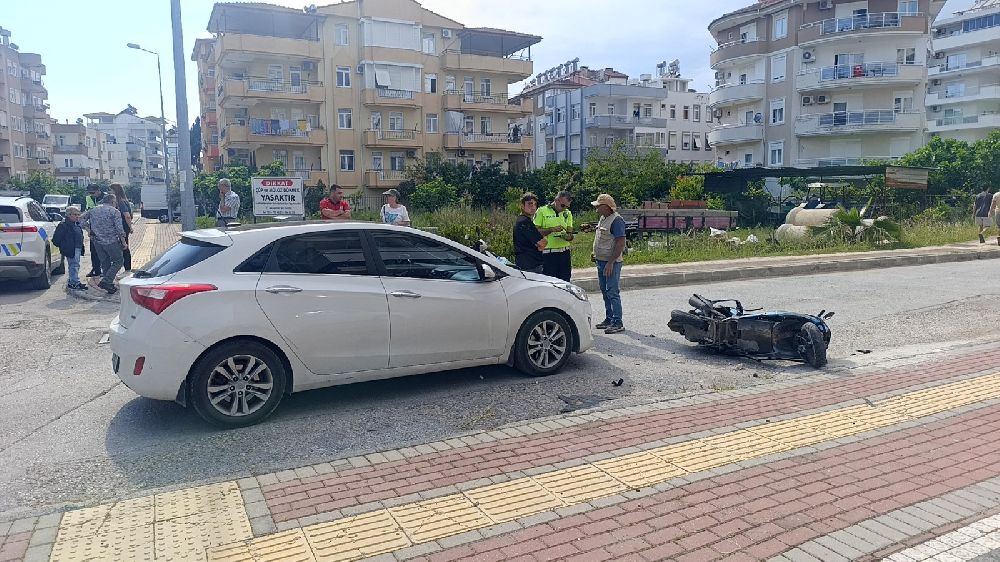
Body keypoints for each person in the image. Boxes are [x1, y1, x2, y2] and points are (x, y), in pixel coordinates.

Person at [592, 193, 627, 334]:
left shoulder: (617, 220)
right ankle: (609, 318)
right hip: (601, 260)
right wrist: (595, 253)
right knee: (605, 291)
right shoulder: (603, 218)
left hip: (611, 262)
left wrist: (611, 262)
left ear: (606, 207)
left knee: (612, 291)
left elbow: (620, 243)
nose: (596, 208)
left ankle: (617, 322)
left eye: (598, 206)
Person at [82, 194, 126, 295]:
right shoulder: (114, 211)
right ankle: (106, 281)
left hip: (97, 241)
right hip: (111, 241)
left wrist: (88, 229)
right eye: (115, 202)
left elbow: (81, 219)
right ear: (112, 201)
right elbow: (119, 229)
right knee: (118, 261)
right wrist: (123, 242)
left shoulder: (93, 210)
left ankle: (108, 285)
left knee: (105, 262)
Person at [533, 190, 574, 281]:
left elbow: (570, 234)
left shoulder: (567, 213)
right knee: (550, 282)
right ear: (556, 200)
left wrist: (568, 237)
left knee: (565, 281)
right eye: (563, 205)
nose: (564, 208)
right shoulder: (541, 211)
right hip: (548, 254)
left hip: (564, 253)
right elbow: (535, 232)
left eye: (567, 207)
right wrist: (551, 230)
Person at [52, 206, 87, 291]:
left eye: (78, 214)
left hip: (77, 248)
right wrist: (65, 246)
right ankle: (73, 283)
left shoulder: (76, 224)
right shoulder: (63, 225)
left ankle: (74, 281)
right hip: (71, 249)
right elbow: (56, 239)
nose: (77, 216)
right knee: (74, 265)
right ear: (69, 215)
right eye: (75, 214)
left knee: (76, 265)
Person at [512, 193, 547, 273]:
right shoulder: (524, 222)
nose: (533, 207)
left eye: (535, 204)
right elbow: (543, 243)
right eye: (530, 204)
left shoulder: (523, 220)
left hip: (526, 264)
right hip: (531, 266)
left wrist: (539, 245)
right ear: (522, 206)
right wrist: (539, 245)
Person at [110, 183, 133, 271]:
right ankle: (126, 267)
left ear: (115, 191)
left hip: (122, 226)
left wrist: (130, 227)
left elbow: (127, 216)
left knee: (124, 247)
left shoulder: (120, 202)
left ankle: (127, 268)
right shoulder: (124, 200)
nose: (110, 192)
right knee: (123, 246)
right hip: (123, 226)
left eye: (111, 190)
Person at [84, 184, 106, 278]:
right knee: (93, 250)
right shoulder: (89, 198)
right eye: (90, 193)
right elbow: (87, 211)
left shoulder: (106, 197)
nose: (91, 194)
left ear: (98, 190)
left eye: (93, 192)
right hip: (93, 227)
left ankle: (105, 269)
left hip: (105, 228)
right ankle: (96, 269)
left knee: (105, 250)